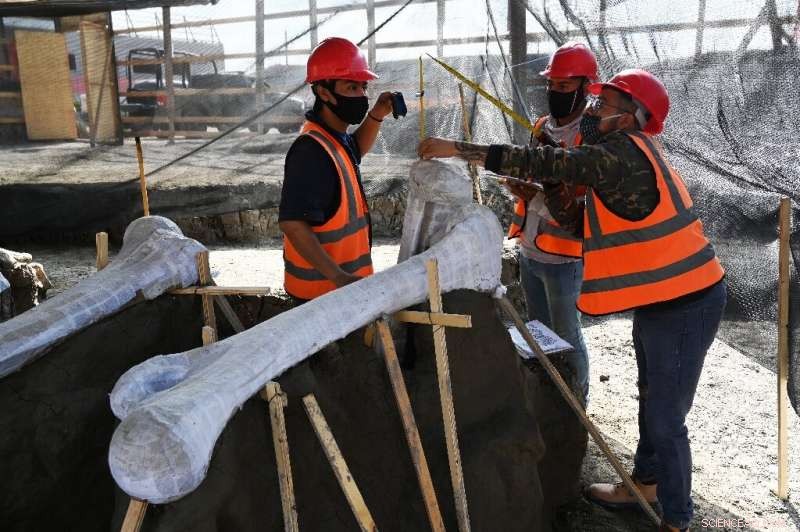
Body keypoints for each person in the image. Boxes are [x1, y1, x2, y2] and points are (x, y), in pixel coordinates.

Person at [418, 68, 726, 532]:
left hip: (688, 299)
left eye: (603, 106)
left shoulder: (622, 154)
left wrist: (460, 150)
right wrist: (540, 194)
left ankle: (678, 519)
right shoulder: (620, 156)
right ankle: (644, 483)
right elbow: (583, 224)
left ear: (628, 119)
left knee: (666, 417)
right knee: (650, 395)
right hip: (664, 297)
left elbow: (548, 162)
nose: (592, 112)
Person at [507, 41, 597, 403]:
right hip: (532, 249)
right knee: (539, 332)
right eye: (552, 85)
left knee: (567, 335)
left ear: (586, 87)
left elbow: (584, 199)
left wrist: (537, 196)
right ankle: (550, 398)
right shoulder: (541, 126)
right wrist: (522, 186)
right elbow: (538, 175)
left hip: (565, 257)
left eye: (564, 86)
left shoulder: (591, 134)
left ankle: (577, 404)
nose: (555, 92)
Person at [279, 37, 394, 301]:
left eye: (363, 87)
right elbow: (293, 223)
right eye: (351, 87)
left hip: (343, 291)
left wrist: (376, 114)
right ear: (323, 92)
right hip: (322, 297)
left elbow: (354, 149)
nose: (361, 96)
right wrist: (339, 277)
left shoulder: (334, 137)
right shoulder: (310, 152)